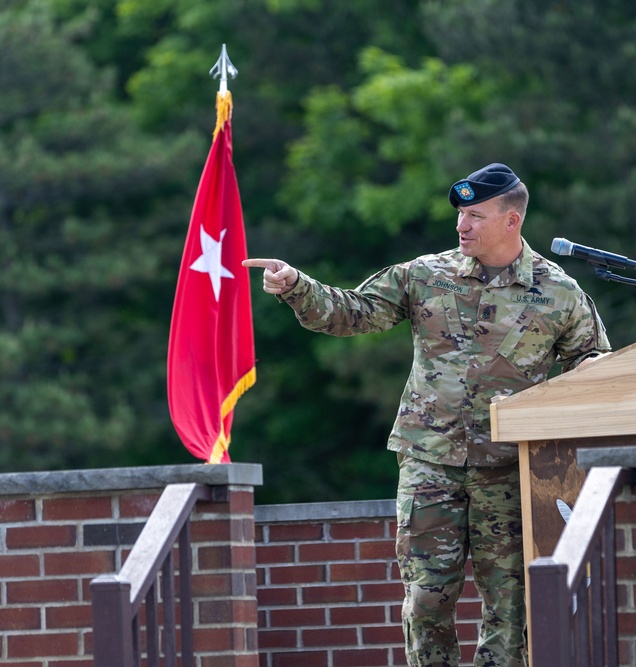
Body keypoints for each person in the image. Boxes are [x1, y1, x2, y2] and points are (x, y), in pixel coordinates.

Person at [244, 163, 611, 667]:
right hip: (429, 462)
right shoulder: (424, 275)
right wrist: (296, 286)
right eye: (460, 214)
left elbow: (592, 372)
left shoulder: (559, 293)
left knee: (509, 607)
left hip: (509, 468)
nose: (462, 226)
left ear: (512, 221)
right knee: (426, 600)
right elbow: (353, 312)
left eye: (475, 216)